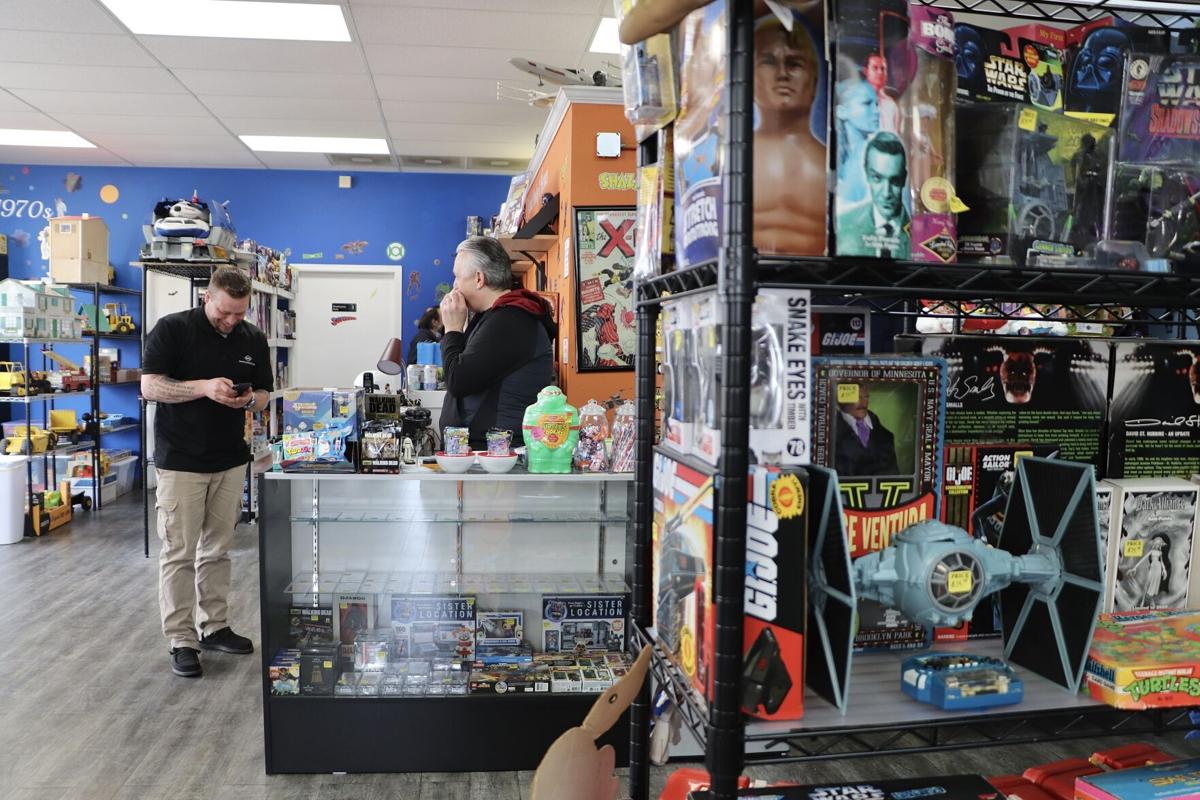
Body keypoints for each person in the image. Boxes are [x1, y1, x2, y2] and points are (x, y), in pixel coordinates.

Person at [141, 267, 273, 678]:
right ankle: (181, 639)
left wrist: (250, 401)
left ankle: (213, 626)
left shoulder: (253, 337)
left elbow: (265, 393)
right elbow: (150, 387)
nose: (232, 321)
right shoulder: (173, 330)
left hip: (230, 459)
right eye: (225, 313)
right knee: (179, 552)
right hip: (181, 460)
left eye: (240, 313)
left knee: (217, 550)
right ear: (207, 298)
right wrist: (202, 388)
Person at [439, 236, 557, 450]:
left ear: (478, 279)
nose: (455, 285)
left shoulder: (511, 320)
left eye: (457, 276)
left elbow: (458, 379)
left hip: (497, 455)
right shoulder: (496, 316)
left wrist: (452, 330)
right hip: (487, 452)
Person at [753, 13, 826, 257]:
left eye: (795, 63)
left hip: (827, 289)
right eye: (769, 61)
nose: (782, 73)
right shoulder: (726, 161)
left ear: (814, 81)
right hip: (742, 288)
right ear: (751, 78)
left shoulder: (838, 166)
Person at [837, 131, 911, 257]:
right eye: (877, 178)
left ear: (904, 179)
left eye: (895, 181)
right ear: (867, 174)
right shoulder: (843, 225)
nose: (886, 193)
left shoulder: (921, 235)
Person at [833, 383, 900, 477]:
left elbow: (894, 476)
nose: (863, 403)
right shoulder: (830, 434)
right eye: (857, 397)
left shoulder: (886, 437)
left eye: (866, 397)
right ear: (842, 400)